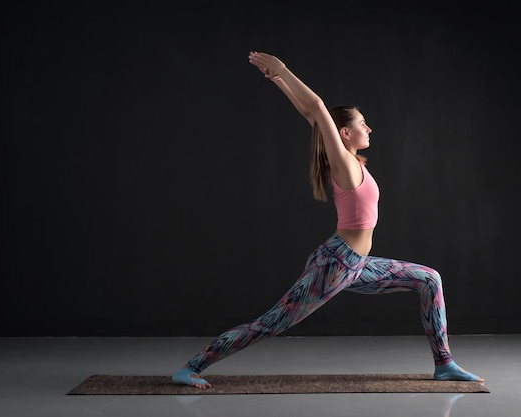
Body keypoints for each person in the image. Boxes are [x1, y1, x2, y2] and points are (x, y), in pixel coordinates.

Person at [172, 51, 484, 388]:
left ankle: (444, 363)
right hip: (335, 265)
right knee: (271, 323)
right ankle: (191, 367)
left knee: (430, 279)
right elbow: (318, 108)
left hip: (357, 264)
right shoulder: (344, 164)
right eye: (361, 123)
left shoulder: (348, 158)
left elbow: (311, 114)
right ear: (345, 133)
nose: (368, 127)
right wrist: (285, 70)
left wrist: (278, 81)